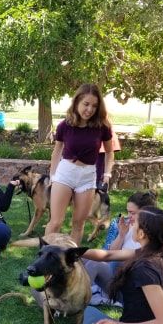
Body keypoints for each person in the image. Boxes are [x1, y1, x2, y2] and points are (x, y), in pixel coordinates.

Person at [45, 83, 113, 245]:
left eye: (94, 106)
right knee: (56, 222)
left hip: (87, 176)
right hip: (65, 174)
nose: (89, 109)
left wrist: (108, 173)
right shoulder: (65, 126)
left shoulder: (102, 127)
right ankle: (44, 258)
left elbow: (110, 152)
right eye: (86, 104)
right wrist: (53, 176)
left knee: (78, 223)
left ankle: (72, 260)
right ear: (76, 103)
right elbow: (57, 151)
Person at [85, 190, 159, 298]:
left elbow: (110, 256)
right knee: (81, 260)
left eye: (133, 213)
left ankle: (79, 298)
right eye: (128, 212)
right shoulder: (130, 226)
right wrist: (121, 234)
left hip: (127, 287)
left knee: (94, 263)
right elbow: (110, 253)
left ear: (145, 213)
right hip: (115, 275)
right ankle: (71, 293)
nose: (128, 216)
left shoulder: (152, 237)